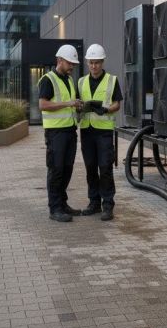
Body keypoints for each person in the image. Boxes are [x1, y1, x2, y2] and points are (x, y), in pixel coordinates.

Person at [38, 44, 84, 222]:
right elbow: (43, 104)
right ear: (59, 61)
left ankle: (63, 204)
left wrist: (77, 104)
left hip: (70, 131)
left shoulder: (69, 80)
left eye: (74, 63)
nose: (72, 66)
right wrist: (68, 104)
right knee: (56, 170)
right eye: (69, 62)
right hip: (55, 133)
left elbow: (69, 102)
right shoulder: (48, 79)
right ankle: (54, 208)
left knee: (67, 169)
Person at [77, 43, 122, 221]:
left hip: (104, 132)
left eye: (97, 62)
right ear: (87, 63)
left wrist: (107, 109)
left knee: (105, 168)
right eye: (91, 62)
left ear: (102, 62)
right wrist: (81, 107)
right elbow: (78, 102)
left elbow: (118, 103)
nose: (94, 66)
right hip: (87, 132)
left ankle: (108, 205)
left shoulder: (112, 80)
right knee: (90, 168)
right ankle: (94, 203)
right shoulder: (81, 82)